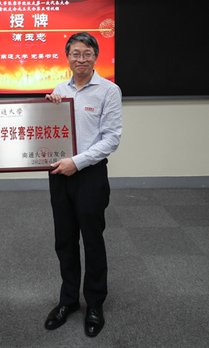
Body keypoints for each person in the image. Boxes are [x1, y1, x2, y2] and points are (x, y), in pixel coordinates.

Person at [43, 32, 123, 338]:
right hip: (58, 175)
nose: (81, 59)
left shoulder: (109, 90)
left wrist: (77, 162)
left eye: (87, 53)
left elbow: (111, 138)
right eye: (75, 53)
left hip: (89, 175)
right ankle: (68, 300)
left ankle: (95, 303)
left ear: (95, 57)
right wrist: (47, 108)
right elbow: (48, 130)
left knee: (92, 240)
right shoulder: (59, 90)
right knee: (64, 240)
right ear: (67, 57)